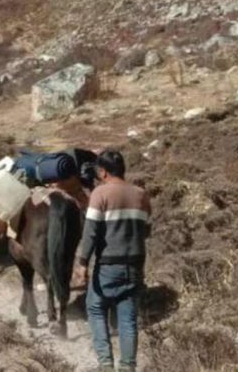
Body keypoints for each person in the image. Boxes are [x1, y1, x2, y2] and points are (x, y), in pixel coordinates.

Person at [76, 150, 152, 372]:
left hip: (109, 264)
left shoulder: (100, 194)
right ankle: (128, 367)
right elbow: (146, 230)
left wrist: (82, 263)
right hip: (136, 264)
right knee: (128, 318)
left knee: (96, 307)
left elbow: (90, 232)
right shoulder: (142, 195)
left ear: (102, 171)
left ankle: (106, 364)